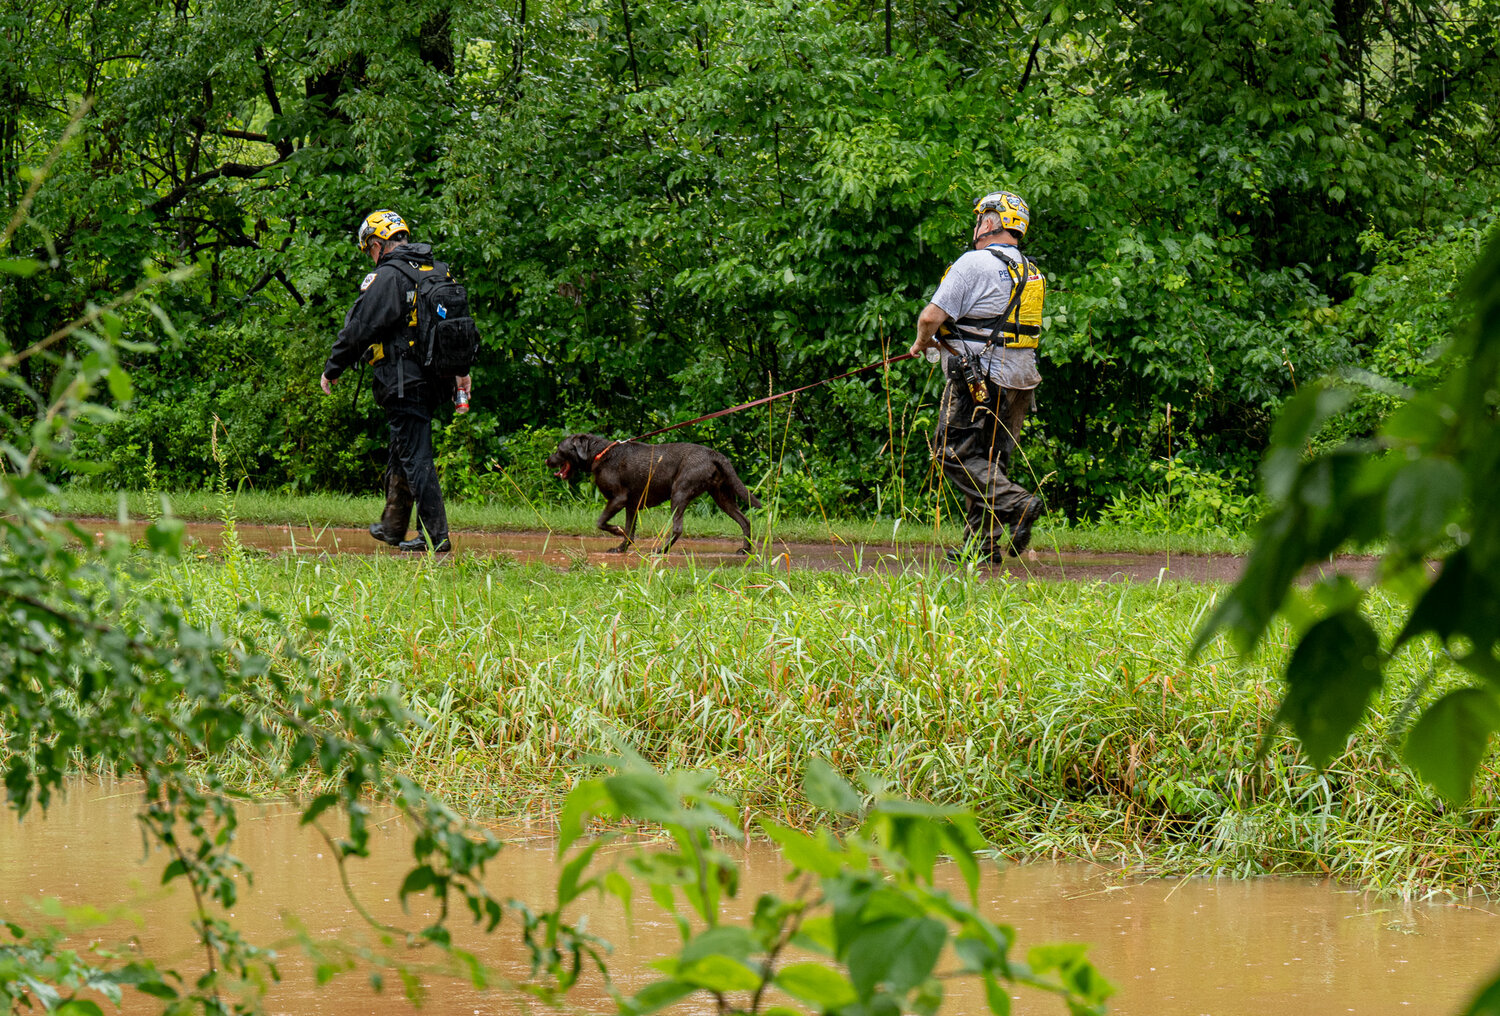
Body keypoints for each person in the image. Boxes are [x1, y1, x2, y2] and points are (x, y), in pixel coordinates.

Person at [320, 209, 471, 552]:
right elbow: (456, 329)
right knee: (402, 448)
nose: (371, 257)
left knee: (416, 456)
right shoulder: (436, 270)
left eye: (369, 250)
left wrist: (333, 368)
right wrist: (461, 374)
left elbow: (359, 327)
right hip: (436, 379)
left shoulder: (388, 276)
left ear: (377, 243)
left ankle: (438, 538)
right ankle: (393, 526)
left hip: (404, 381)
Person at [909, 190, 1046, 562]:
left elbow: (930, 318)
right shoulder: (1031, 272)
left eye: (978, 219)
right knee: (990, 460)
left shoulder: (973, 263)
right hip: (1021, 380)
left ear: (988, 222)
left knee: (949, 451)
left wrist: (922, 342)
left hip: (979, 379)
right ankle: (981, 546)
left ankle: (1017, 503)